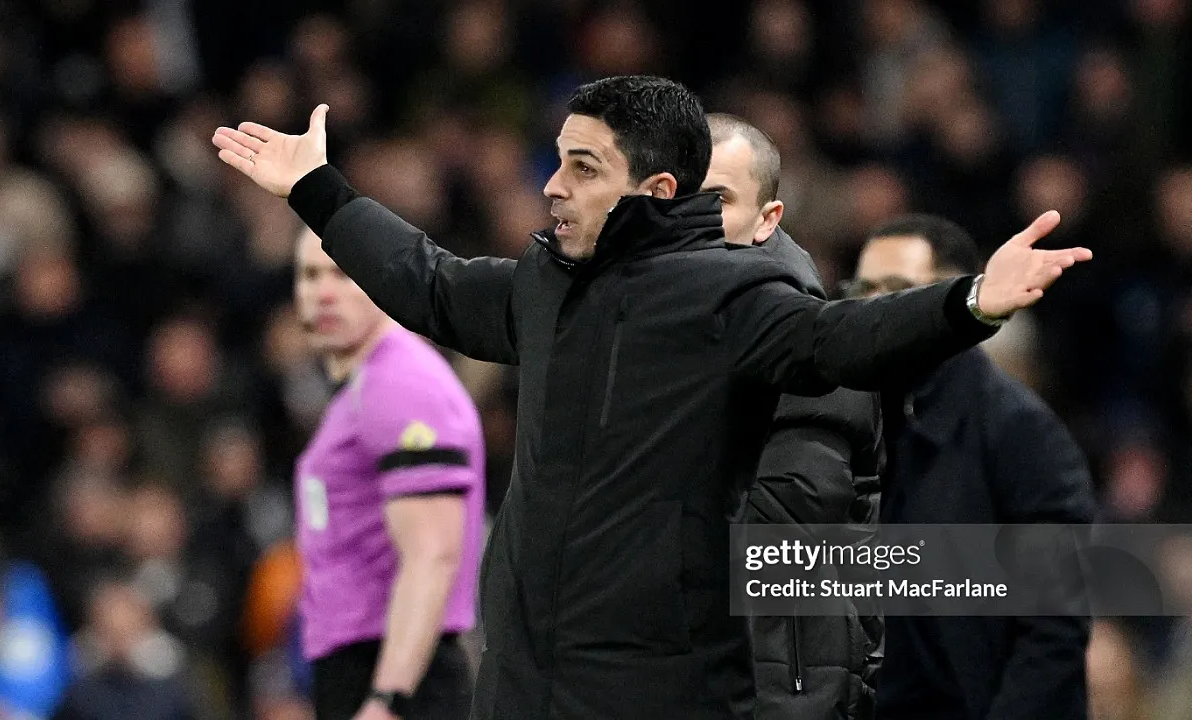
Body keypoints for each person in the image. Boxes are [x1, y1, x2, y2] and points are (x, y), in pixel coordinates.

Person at [212, 75, 1091, 720]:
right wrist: (317, 191)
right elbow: (430, 284)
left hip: (659, 692)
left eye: (583, 168)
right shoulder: (545, 287)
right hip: (521, 684)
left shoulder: (733, 302)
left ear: (656, 190)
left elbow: (844, 344)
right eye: (557, 161)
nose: (553, 185)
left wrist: (972, 300)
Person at [844, 214, 1097, 720]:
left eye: (897, 289)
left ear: (960, 297)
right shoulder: (848, 423)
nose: (875, 308)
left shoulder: (1019, 431)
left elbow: (1052, 631)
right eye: (862, 289)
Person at [704, 113, 883, 719]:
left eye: (719, 199)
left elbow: (863, 547)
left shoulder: (831, 361)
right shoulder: (613, 350)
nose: (695, 220)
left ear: (767, 219)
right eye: (678, 197)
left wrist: (854, 687)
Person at [291, 227, 486, 720]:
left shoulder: (401, 384)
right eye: (310, 275)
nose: (323, 292)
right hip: (361, 661)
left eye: (344, 273)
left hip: (395, 671)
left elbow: (432, 555)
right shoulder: (368, 383)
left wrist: (387, 697)